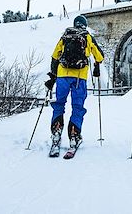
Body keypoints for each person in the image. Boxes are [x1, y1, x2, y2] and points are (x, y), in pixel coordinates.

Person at [45, 15, 104, 156]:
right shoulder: (87, 36)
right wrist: (96, 66)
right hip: (79, 77)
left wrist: (53, 76)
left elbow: (55, 56)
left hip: (62, 76)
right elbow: (100, 56)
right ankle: (74, 135)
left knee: (59, 104)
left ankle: (56, 133)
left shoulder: (65, 35)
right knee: (77, 107)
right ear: (84, 25)